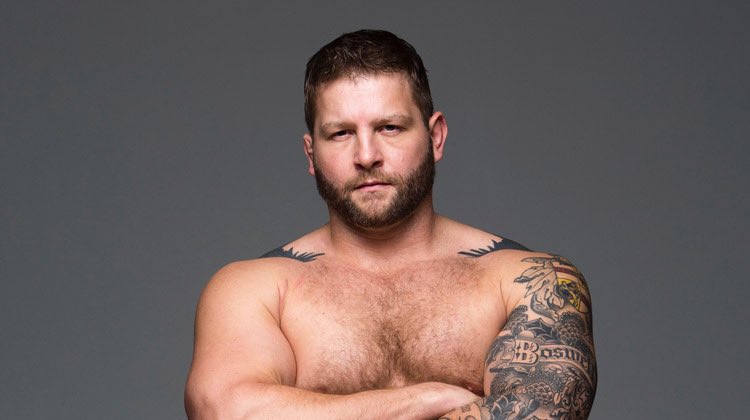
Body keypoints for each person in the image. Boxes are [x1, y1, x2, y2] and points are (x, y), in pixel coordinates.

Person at [185, 29, 596, 419]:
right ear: (311, 155)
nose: (367, 155)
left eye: (389, 128)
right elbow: (224, 411)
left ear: (436, 137)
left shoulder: (529, 281)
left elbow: (540, 410)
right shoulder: (256, 290)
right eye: (341, 133)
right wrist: (426, 399)